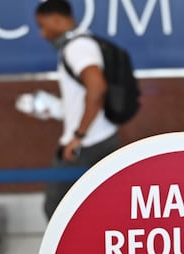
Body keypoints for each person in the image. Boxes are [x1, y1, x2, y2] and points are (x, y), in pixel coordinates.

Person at [35, 0, 120, 219]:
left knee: (56, 207)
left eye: (43, 26)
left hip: (88, 143)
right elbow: (86, 94)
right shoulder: (83, 44)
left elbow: (97, 87)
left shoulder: (77, 48)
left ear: (56, 19)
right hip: (99, 137)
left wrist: (78, 136)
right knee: (95, 208)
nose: (42, 34)